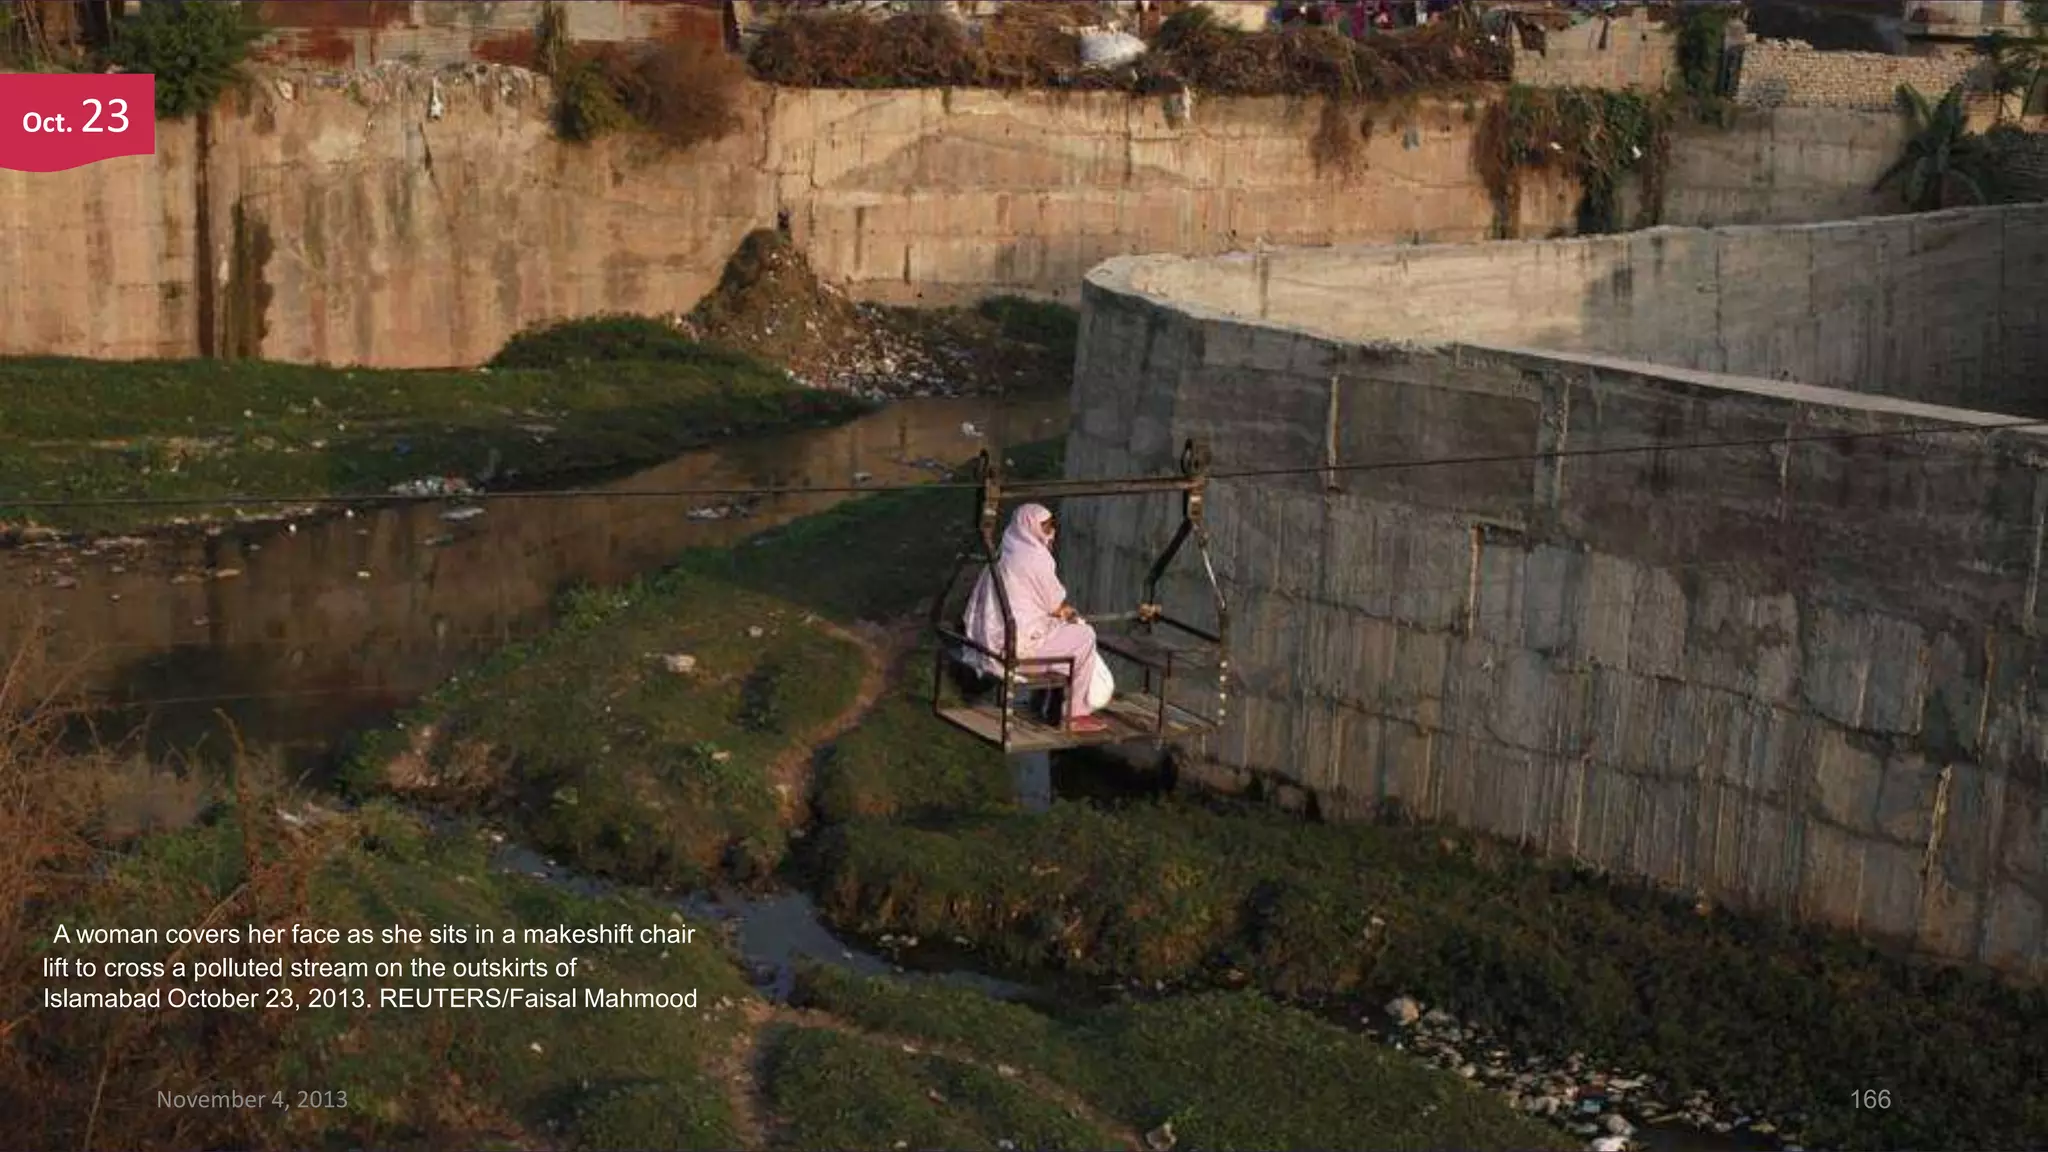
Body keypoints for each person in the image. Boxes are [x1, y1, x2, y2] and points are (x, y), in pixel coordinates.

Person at [962, 504, 1112, 735]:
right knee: (1084, 636)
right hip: (1017, 644)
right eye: (1046, 527)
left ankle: (1048, 701)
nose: (1050, 532)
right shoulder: (1035, 557)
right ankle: (1075, 713)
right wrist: (1067, 613)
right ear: (1031, 527)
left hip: (994, 639)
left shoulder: (1005, 550)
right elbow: (1055, 604)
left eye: (1051, 526)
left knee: (1064, 640)